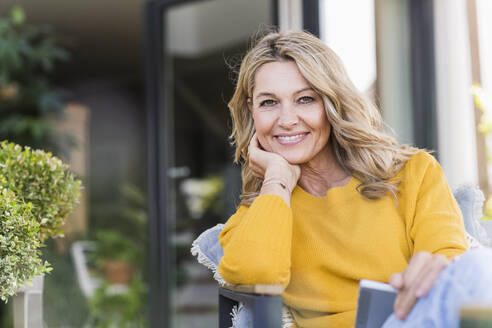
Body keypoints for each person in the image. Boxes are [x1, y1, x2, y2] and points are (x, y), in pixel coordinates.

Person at [217, 29, 490, 328]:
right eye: (269, 102)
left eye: (305, 99)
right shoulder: (260, 214)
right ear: (251, 110)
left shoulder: (413, 173)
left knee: (479, 267)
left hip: (411, 319)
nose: (287, 119)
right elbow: (257, 274)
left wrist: (433, 274)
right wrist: (277, 180)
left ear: (332, 103)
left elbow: (451, 264)